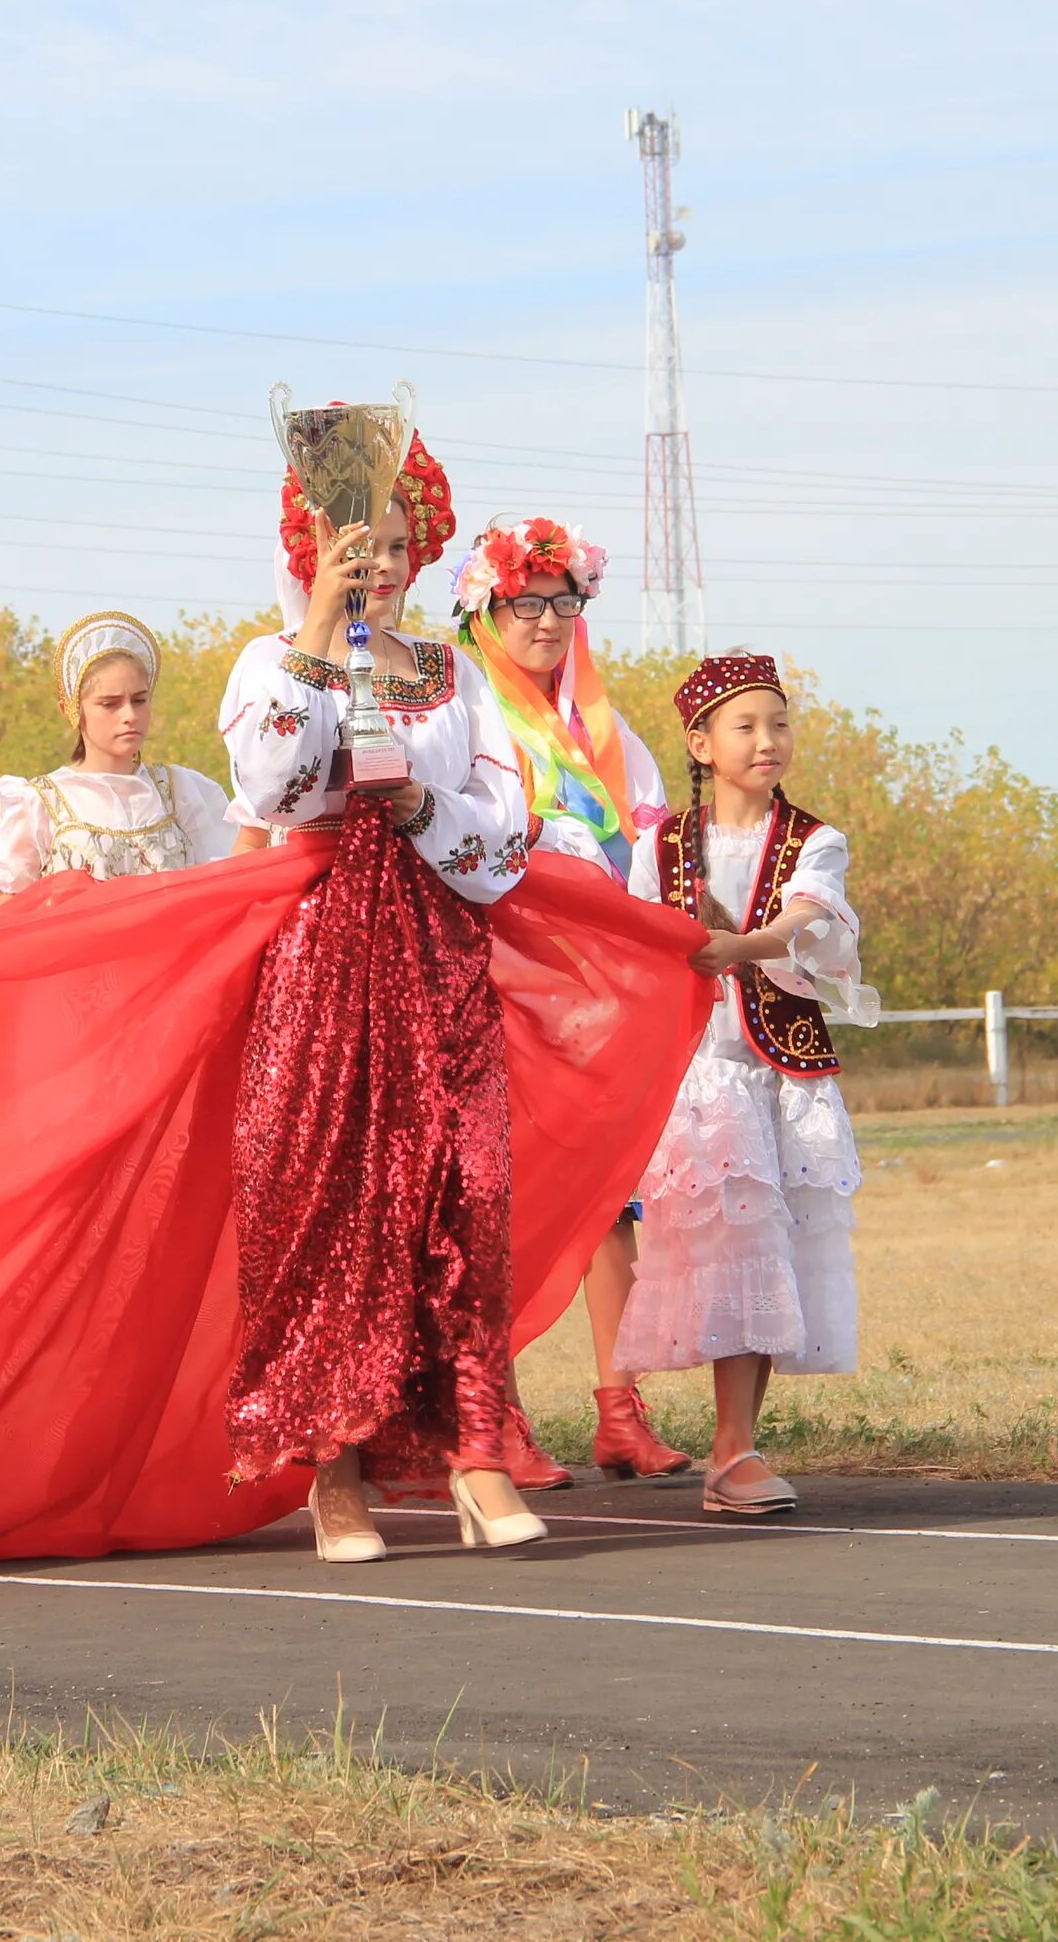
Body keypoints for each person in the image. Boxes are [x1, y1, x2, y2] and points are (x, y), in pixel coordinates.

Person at [217, 428, 554, 1562]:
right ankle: (335, 1470)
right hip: (320, 961)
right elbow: (273, 780)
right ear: (308, 549)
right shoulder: (273, 659)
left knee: (472, 1190)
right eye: (354, 547)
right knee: (331, 1205)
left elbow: (507, 833)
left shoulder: (457, 676)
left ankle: (477, 1451)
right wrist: (320, 628)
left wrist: (425, 813)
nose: (381, 566)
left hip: (442, 958)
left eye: (399, 546)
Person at [448, 517, 692, 1485]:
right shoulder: (467, 715)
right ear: (485, 609)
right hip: (495, 984)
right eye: (524, 602)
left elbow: (653, 837)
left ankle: (619, 1408)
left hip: (591, 995)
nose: (546, 621)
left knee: (607, 1199)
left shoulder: (609, 730)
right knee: (497, 1199)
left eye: (563, 601)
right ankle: (494, 1416)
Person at [617, 651, 878, 1516]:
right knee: (729, 1252)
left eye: (780, 722)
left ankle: (735, 1449)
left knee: (766, 1253)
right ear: (699, 742)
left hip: (777, 1075)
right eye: (747, 724)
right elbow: (636, 944)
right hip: (700, 1076)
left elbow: (812, 920)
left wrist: (741, 945)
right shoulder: (661, 846)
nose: (769, 740)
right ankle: (725, 1450)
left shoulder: (815, 839)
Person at [0, 611, 233, 895]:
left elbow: (224, 888)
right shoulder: (39, 803)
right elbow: (11, 912)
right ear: (71, 710)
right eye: (110, 704)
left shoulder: (181, 791)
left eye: (139, 700)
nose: (129, 715)